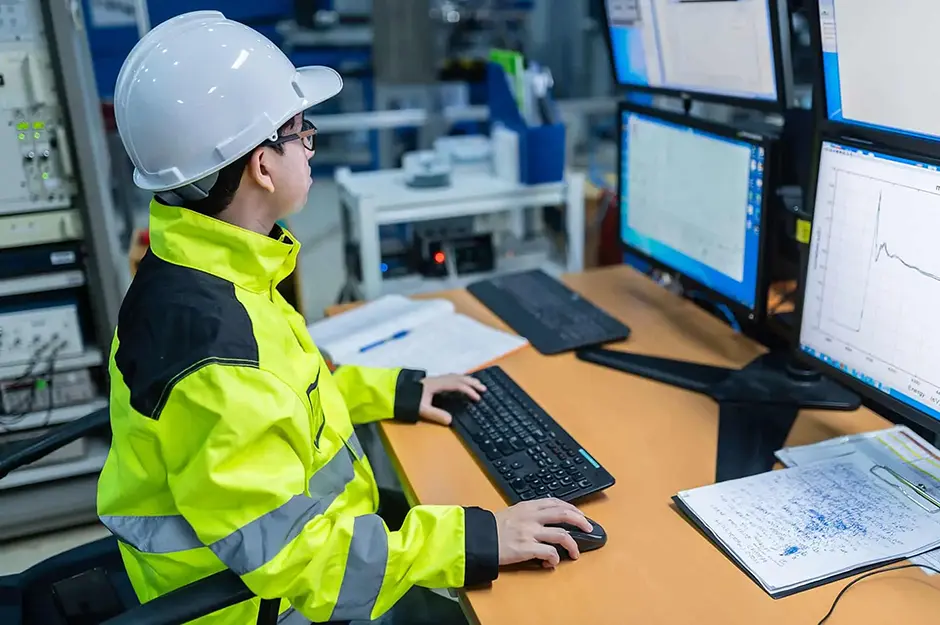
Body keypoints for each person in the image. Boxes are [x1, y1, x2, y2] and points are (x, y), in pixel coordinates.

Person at [96, 10, 593, 625]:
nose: (309, 144)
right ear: (261, 164)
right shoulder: (216, 351)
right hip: (255, 606)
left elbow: (289, 400)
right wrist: (476, 541)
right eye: (301, 130)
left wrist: (399, 390)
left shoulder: (210, 271)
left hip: (277, 561)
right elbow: (304, 563)